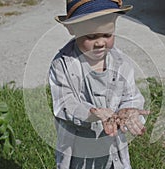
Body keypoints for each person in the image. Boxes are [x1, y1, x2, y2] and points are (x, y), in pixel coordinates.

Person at [49, 0, 150, 168]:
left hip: (112, 147)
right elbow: (64, 103)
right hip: (78, 150)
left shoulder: (121, 63)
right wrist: (91, 114)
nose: (100, 42)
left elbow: (131, 96)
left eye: (107, 35)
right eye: (91, 36)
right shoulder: (63, 65)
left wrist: (129, 110)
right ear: (72, 30)